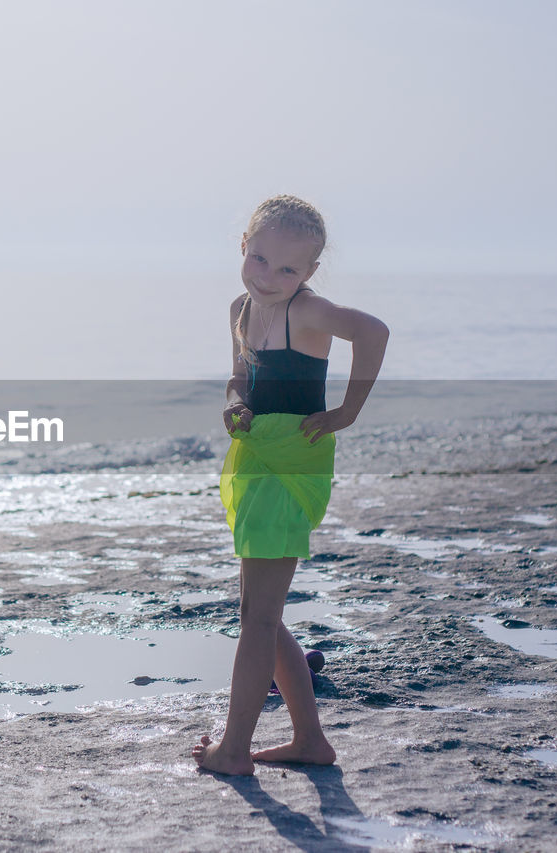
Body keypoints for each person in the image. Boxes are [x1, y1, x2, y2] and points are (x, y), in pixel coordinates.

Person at [192, 194, 389, 776]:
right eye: (259, 259)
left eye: (287, 269)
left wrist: (348, 410)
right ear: (243, 249)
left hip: (290, 467)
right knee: (262, 611)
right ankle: (309, 741)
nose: (269, 277)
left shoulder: (308, 311)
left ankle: (234, 751)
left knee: (257, 616)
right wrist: (235, 406)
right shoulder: (240, 308)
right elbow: (239, 379)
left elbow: (373, 332)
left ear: (309, 273)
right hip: (254, 457)